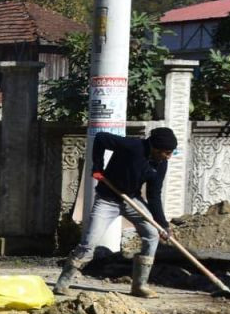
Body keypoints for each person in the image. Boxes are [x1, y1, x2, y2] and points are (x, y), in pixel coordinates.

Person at [54, 126, 178, 299]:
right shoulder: (132, 146)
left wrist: (162, 224)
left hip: (131, 200)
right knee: (89, 243)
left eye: (171, 152)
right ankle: (63, 283)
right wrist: (98, 166)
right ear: (156, 148)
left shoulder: (160, 165)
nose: (169, 156)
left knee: (152, 234)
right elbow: (101, 138)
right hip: (107, 199)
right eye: (166, 152)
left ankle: (139, 285)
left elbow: (154, 195)